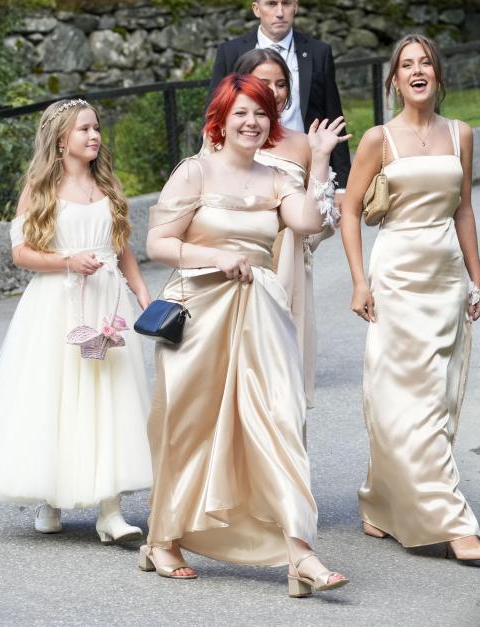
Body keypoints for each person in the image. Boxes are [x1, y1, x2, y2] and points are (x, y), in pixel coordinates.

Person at [141, 73, 350, 597]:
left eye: (260, 113)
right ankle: (163, 539)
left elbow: (305, 220)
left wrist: (321, 158)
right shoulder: (194, 173)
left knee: (278, 421)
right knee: (189, 427)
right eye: (242, 113)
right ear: (221, 119)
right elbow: (158, 243)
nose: (253, 122)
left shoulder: (278, 176)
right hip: (200, 314)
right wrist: (216, 256)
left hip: (260, 311)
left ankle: (299, 553)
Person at [0, 99, 153, 544]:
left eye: (97, 127)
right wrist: (67, 259)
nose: (94, 135)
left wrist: (140, 291)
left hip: (107, 301)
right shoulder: (41, 188)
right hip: (58, 302)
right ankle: (51, 496)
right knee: (57, 398)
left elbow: (121, 248)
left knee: (110, 398)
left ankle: (110, 509)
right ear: (61, 140)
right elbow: (21, 252)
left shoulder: (108, 186)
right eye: (84, 129)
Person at [338, 34, 480, 562]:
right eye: (407, 64)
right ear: (395, 80)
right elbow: (351, 210)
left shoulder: (460, 133)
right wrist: (359, 280)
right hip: (396, 276)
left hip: (445, 276)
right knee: (399, 396)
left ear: (438, 74)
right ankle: (454, 523)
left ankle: (380, 500)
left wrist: (477, 276)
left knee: (436, 398)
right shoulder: (379, 139)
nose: (417, 70)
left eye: (425, 61)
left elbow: (464, 209)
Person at [232, 47, 338, 409]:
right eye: (264, 82)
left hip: (287, 261)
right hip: (236, 260)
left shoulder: (302, 144)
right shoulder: (218, 139)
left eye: (281, 84)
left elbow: (322, 213)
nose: (274, 92)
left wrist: (321, 159)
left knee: (283, 369)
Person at [208, 0, 352, 196]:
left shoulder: (319, 52)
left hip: (303, 167)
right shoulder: (231, 53)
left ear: (296, 7)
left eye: (286, 3)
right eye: (271, 4)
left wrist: (342, 186)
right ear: (256, 9)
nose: (280, 12)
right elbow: (216, 112)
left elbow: (332, 114)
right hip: (246, 169)